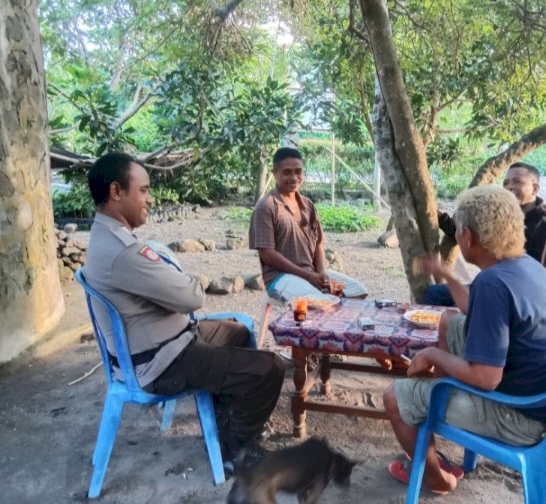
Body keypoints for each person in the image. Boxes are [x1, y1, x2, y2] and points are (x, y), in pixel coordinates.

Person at [82, 152, 284, 473]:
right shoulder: (124, 252)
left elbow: (179, 294)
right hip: (163, 362)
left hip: (167, 341)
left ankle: (225, 422)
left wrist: (171, 290)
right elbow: (192, 296)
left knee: (238, 331)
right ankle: (238, 451)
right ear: (116, 192)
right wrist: (176, 288)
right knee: (270, 368)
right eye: (144, 190)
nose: (149, 199)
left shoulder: (106, 237)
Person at [383, 185, 546, 495]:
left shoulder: (493, 283)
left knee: (394, 397)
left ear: (468, 236)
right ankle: (439, 401)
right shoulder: (526, 266)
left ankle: (438, 479)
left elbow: (486, 378)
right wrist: (447, 275)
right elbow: (472, 310)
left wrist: (433, 357)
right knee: (449, 321)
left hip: (522, 416)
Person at [424, 161, 546, 305]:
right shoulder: (506, 213)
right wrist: (436, 215)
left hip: (515, 296)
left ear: (535, 188)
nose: (509, 187)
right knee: (434, 293)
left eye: (517, 182)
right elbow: (469, 233)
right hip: (497, 282)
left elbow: (536, 280)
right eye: (506, 182)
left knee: (440, 299)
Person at [249, 147, 367, 302]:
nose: (294, 177)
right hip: (280, 278)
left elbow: (318, 244)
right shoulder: (266, 206)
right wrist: (308, 276)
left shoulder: (308, 205)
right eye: (287, 172)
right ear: (275, 173)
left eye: (298, 171)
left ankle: (333, 323)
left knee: (358, 291)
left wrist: (321, 274)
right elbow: (267, 254)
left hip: (311, 273)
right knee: (322, 302)